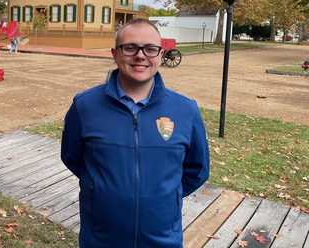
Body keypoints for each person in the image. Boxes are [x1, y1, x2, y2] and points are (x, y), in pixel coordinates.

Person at [61, 18, 210, 248]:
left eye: (150, 49)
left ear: (161, 55)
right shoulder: (85, 106)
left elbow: (197, 170)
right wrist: (101, 189)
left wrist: (167, 197)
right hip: (101, 240)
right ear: (115, 53)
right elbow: (72, 157)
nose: (140, 56)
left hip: (162, 240)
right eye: (130, 48)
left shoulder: (185, 110)